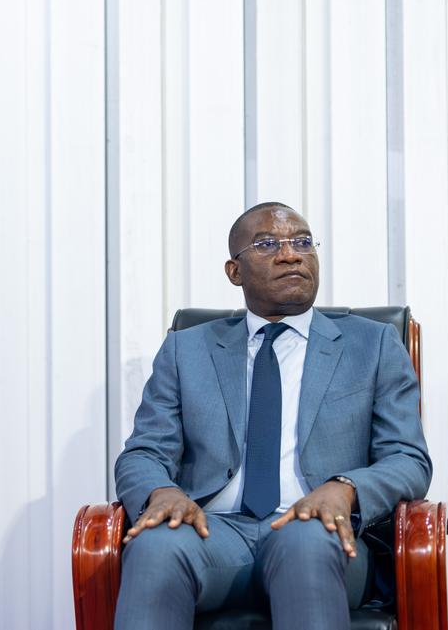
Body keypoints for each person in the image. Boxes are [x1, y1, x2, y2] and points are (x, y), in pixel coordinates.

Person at [113, 202, 431, 630]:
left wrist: (345, 489)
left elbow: (408, 458)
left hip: (319, 533)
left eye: (303, 242)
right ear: (234, 271)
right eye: (267, 245)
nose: (290, 255)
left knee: (305, 539)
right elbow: (144, 452)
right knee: (156, 546)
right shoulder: (186, 350)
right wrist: (161, 491)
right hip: (213, 534)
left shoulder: (371, 345)